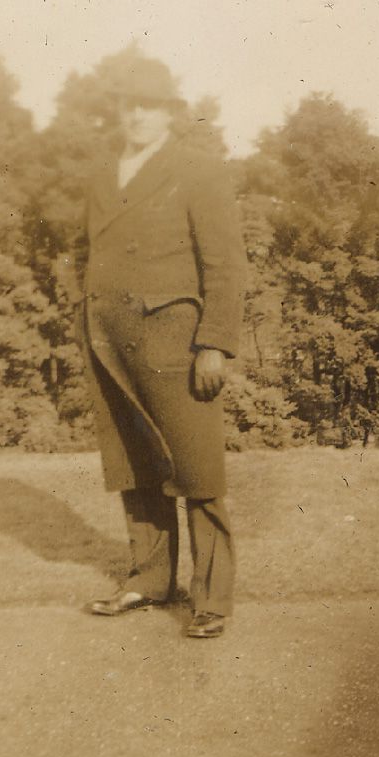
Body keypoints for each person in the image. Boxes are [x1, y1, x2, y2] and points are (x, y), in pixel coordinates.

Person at [73, 52, 247, 638]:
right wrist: (84, 314)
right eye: (128, 105)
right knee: (135, 465)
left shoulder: (198, 169)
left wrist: (215, 343)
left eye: (148, 105)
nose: (137, 115)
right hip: (110, 340)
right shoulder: (103, 172)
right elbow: (82, 253)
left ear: (170, 112)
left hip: (176, 343)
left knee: (198, 471)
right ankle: (149, 581)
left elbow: (225, 264)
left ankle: (211, 600)